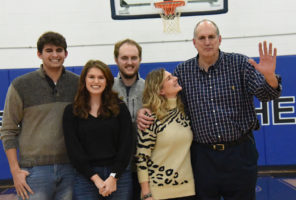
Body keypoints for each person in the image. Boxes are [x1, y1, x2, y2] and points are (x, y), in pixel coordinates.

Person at [137, 19, 282, 200]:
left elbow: (267, 95)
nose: (207, 42)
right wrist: (144, 110)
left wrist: (270, 77)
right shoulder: (183, 71)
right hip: (203, 158)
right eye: (202, 37)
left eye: (211, 37)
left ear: (219, 39)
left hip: (239, 154)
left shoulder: (240, 64)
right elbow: (166, 100)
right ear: (194, 42)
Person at [0, 31, 79, 200]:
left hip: (71, 169)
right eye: (49, 50)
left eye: (59, 50)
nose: (55, 55)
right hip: (34, 171)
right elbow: (8, 130)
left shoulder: (78, 84)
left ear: (66, 54)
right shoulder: (21, 85)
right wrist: (15, 171)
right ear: (39, 54)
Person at [62, 60, 134, 200]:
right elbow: (73, 149)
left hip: (119, 176)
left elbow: (126, 144)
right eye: (91, 77)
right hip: (86, 178)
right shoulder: (71, 112)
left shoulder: (120, 108)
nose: (96, 81)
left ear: (107, 81)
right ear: (84, 80)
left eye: (101, 77)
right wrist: (96, 179)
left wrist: (114, 177)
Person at [136, 68, 195, 200]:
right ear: (160, 90)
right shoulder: (150, 117)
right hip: (157, 192)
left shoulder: (185, 111)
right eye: (169, 78)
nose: (175, 78)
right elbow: (142, 159)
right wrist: (147, 194)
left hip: (188, 190)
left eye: (172, 76)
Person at [112, 38, 145, 199]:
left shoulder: (149, 89)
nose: (129, 62)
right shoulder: (107, 89)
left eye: (134, 58)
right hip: (116, 168)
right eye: (124, 58)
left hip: (145, 168)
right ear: (116, 60)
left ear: (140, 60)